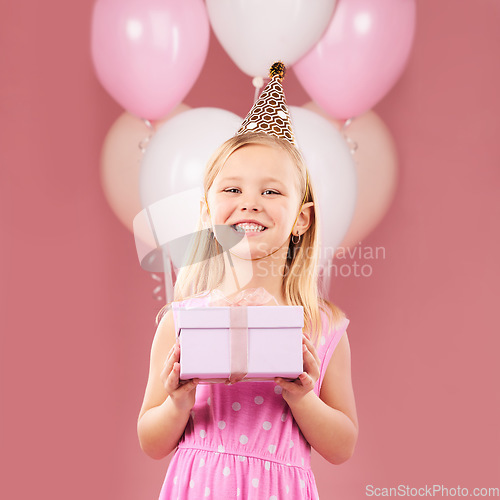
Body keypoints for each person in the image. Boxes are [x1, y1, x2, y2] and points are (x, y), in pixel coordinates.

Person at [137, 63, 358, 499]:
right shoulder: (181, 321)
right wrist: (178, 400)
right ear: (207, 213)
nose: (250, 204)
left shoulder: (322, 326)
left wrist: (303, 397)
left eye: (272, 191)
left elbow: (343, 444)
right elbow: (150, 439)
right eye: (232, 190)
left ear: (301, 219)